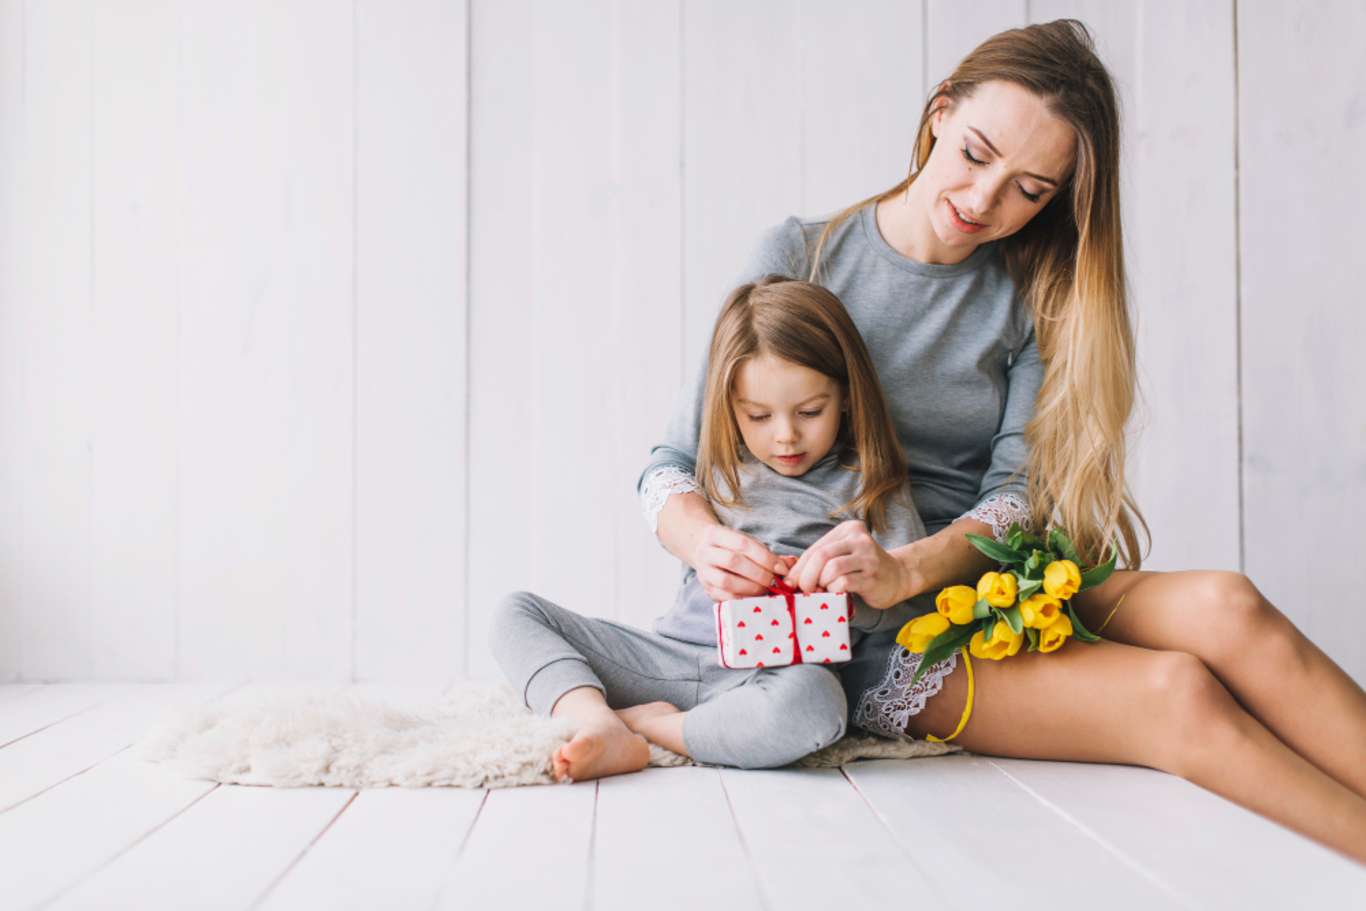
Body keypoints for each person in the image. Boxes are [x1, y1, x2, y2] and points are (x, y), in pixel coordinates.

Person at [640, 19, 1366, 863]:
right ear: (940, 112)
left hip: (968, 574)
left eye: (1030, 189)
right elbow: (670, 467)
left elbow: (1014, 499)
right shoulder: (803, 255)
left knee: (1227, 605)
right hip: (866, 634)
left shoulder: (1030, 293)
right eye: (977, 154)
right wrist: (711, 543)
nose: (985, 201)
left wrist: (912, 565)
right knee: (1175, 694)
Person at [490, 276, 941, 783]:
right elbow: (670, 506)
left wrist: (858, 597)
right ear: (728, 405)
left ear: (847, 400)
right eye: (758, 415)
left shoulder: (871, 485)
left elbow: (915, 614)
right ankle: (594, 719)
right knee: (515, 613)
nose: (786, 434)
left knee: (817, 707)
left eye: (810, 412)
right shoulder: (715, 471)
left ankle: (651, 727)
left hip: (772, 679)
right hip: (668, 656)